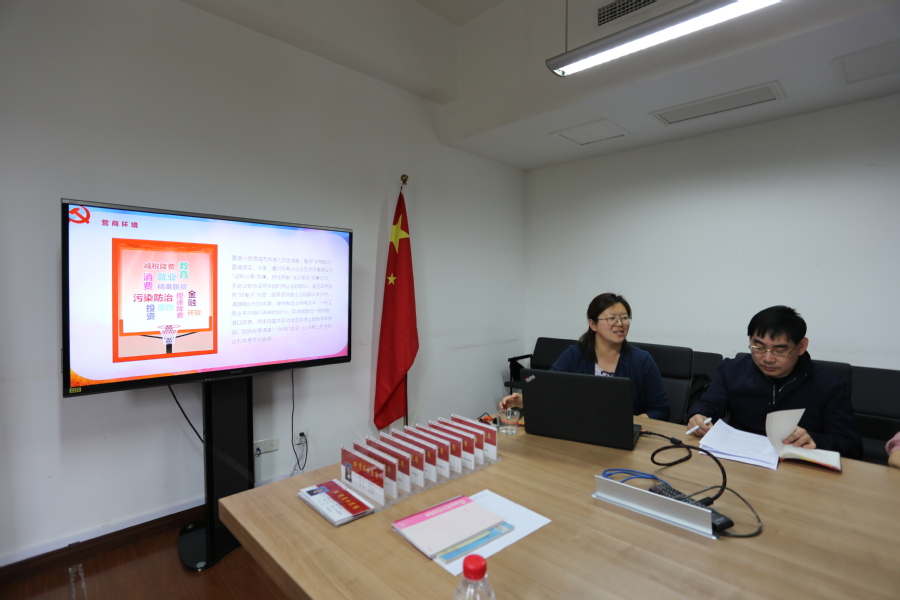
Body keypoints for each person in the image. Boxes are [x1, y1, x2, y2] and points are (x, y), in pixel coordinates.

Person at [686, 306, 863, 458]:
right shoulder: (732, 370)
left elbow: (852, 446)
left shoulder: (829, 384)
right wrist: (698, 415)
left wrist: (814, 439)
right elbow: (708, 405)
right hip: (739, 459)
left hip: (797, 467)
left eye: (779, 350)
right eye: (759, 347)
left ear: (801, 346)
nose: (767, 358)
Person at [499, 293, 669, 421]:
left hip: (625, 437)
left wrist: (633, 422)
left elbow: (661, 409)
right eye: (612, 318)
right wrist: (524, 400)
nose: (620, 324)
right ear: (593, 324)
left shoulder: (642, 360)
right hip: (580, 430)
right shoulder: (575, 355)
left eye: (624, 318)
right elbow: (549, 390)